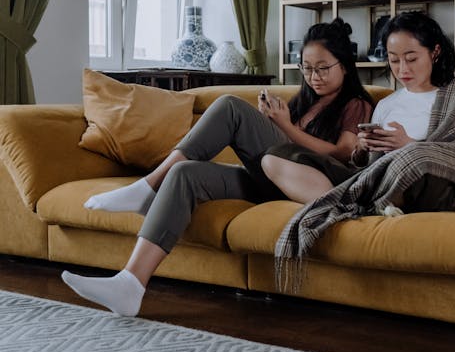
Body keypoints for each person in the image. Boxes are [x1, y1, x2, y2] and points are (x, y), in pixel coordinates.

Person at [61, 18, 374, 316]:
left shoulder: (356, 104)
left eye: (323, 68)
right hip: (268, 180)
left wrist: (286, 127)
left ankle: (148, 186)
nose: (314, 76)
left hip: (303, 184)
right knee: (184, 174)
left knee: (229, 107)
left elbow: (341, 155)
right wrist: (274, 120)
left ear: (344, 67)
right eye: (306, 68)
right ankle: (131, 284)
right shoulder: (302, 102)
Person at [266, 12, 455, 292]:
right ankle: (367, 205)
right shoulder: (387, 104)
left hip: (429, 187)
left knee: (415, 158)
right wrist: (362, 149)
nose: (402, 68)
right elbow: (362, 167)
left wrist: (408, 146)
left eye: (411, 58)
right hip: (377, 182)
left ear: (434, 52)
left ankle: (365, 205)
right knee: (280, 154)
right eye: (394, 60)